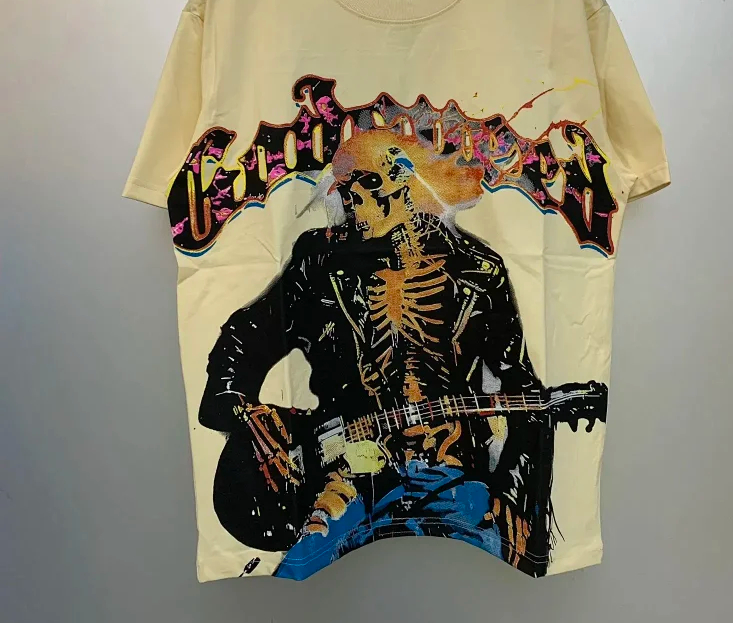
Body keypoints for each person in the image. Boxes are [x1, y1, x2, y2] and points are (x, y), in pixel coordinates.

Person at [199, 130, 565, 578]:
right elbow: (244, 337)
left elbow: (524, 394)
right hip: (344, 477)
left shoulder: (478, 270)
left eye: (358, 184)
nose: (347, 200)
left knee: (487, 574)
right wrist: (243, 411)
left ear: (396, 181)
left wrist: (512, 494)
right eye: (342, 187)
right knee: (301, 575)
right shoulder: (320, 262)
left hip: (455, 478)